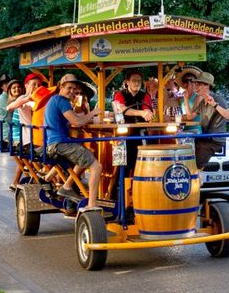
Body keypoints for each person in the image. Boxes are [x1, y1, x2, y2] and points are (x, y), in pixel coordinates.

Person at [44, 74, 102, 209]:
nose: (72, 92)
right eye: (69, 88)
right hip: (60, 144)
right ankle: (92, 205)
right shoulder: (61, 101)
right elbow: (77, 121)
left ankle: (66, 185)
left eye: (74, 89)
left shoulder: (54, 100)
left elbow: (76, 120)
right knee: (96, 166)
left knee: (88, 153)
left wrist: (89, 116)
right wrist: (93, 113)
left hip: (56, 143)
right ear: (61, 87)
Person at [185, 71, 229, 168]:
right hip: (206, 138)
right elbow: (190, 116)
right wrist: (186, 99)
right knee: (186, 146)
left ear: (207, 85)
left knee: (196, 163)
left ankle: (196, 175)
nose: (195, 87)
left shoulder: (217, 99)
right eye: (195, 84)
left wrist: (214, 105)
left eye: (198, 84)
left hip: (215, 140)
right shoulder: (202, 102)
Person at [113, 70, 154, 171]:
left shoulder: (145, 96)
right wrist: (141, 113)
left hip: (140, 133)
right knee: (120, 162)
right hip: (122, 133)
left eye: (139, 81)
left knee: (140, 161)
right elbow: (121, 108)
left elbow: (147, 111)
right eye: (134, 80)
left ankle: (138, 184)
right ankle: (118, 184)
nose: (137, 83)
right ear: (127, 82)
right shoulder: (119, 94)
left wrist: (147, 113)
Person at [0, 73, 12, 146]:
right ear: (2, 87)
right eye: (6, 83)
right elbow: (11, 109)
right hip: (6, 136)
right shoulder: (2, 98)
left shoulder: (9, 96)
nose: (8, 85)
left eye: (9, 83)